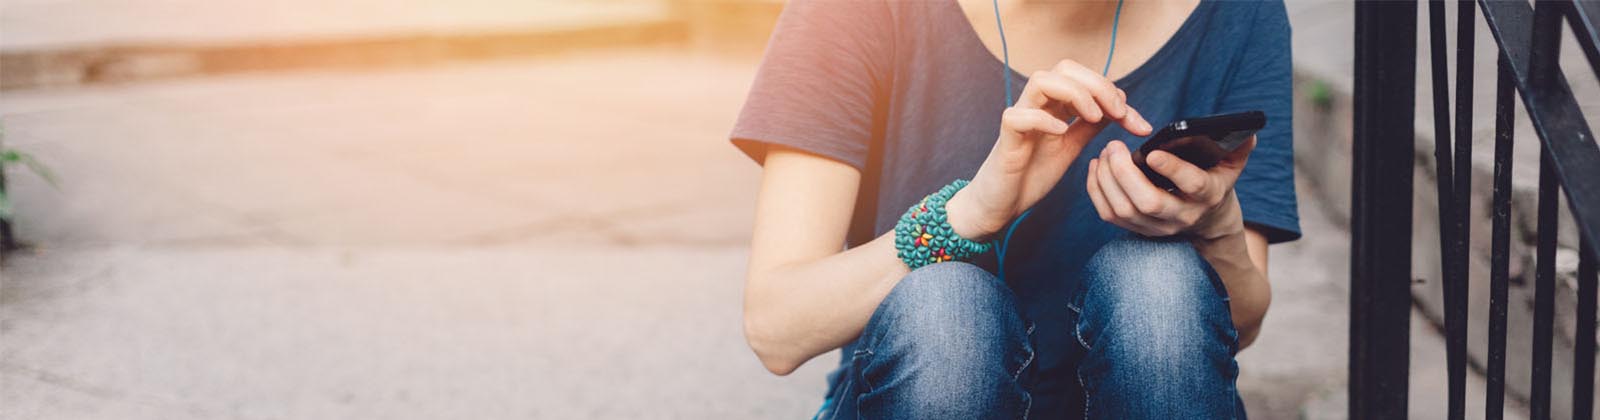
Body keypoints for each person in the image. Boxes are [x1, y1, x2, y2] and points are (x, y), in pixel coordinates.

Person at [729, 0, 1299, 418]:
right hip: (923, 393)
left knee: (1157, 280)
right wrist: (966, 215)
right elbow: (778, 328)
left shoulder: (1238, 14)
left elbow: (1240, 326)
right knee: (947, 306)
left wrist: (1216, 227)